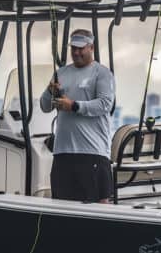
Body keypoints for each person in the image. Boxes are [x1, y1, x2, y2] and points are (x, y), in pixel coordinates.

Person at [39, 28, 116, 202]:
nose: (76, 52)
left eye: (81, 48)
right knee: (61, 206)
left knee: (98, 206)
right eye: (73, 47)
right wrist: (49, 90)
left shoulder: (102, 73)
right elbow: (44, 106)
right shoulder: (61, 73)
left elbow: (105, 104)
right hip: (63, 152)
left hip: (93, 152)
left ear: (91, 48)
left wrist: (73, 105)